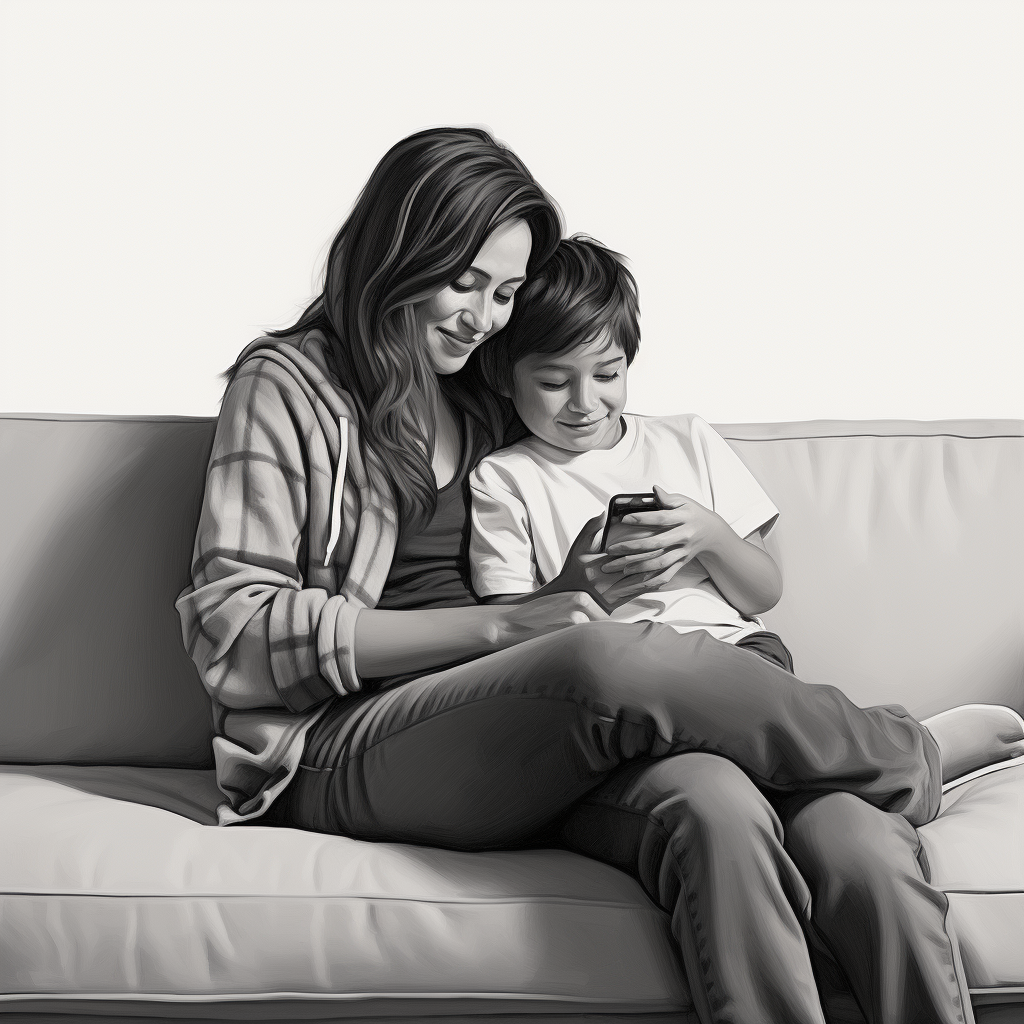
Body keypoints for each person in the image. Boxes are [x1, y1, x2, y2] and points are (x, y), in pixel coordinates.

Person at [176, 127, 1020, 1024]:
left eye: (503, 293)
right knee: (605, 658)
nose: (482, 316)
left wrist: (600, 572)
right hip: (346, 742)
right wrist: (509, 627)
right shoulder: (288, 387)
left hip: (530, 732)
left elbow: (588, 430)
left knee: (724, 807)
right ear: (396, 252)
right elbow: (235, 631)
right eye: (463, 282)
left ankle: (863, 794)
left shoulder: (486, 391)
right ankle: (905, 753)